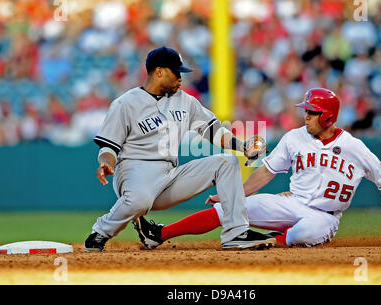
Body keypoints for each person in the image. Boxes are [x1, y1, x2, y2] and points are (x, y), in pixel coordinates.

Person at [134, 88, 381, 248]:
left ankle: (267, 242)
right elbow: (267, 171)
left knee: (303, 234)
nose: (305, 116)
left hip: (325, 217)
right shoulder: (294, 137)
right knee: (229, 209)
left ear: (328, 117)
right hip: (291, 203)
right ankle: (158, 234)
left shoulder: (354, 147)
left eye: (312, 112)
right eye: (305, 111)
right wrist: (234, 193)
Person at [84, 46, 276, 252]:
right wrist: (106, 162)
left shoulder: (186, 101)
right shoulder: (125, 103)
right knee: (139, 201)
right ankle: (100, 233)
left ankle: (236, 233)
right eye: (176, 72)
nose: (180, 77)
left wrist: (241, 146)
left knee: (226, 163)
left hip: (170, 174)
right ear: (159, 72)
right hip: (135, 171)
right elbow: (109, 146)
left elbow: (213, 130)